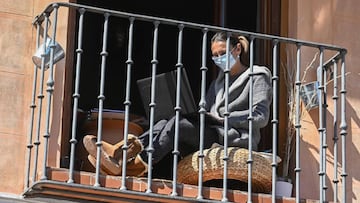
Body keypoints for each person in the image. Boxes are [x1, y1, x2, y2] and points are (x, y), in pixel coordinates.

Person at [83, 32, 272, 176]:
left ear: (237, 49)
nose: (218, 59)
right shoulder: (218, 83)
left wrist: (224, 118)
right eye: (215, 56)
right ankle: (120, 152)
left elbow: (260, 117)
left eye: (223, 53)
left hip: (234, 137)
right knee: (167, 120)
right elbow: (205, 112)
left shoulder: (257, 75)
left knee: (178, 124)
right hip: (212, 132)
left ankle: (135, 166)